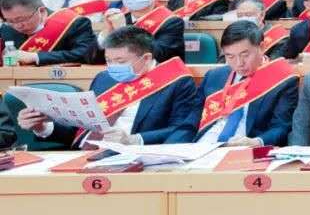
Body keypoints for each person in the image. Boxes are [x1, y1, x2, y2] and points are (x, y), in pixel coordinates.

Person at [16, 26, 200, 147]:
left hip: (140, 156)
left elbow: (182, 130)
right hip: (88, 154)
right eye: (108, 60)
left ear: (146, 58)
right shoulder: (104, 78)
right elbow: (81, 129)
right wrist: (42, 126)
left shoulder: (176, 82)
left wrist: (134, 140)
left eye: (120, 61)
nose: (113, 67)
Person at [196, 21, 298, 146]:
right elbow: (191, 120)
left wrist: (257, 141)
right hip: (204, 145)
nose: (239, 63)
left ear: (262, 47)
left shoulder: (282, 80)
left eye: (245, 55)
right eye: (230, 57)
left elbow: (281, 127)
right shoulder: (214, 76)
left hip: (245, 146)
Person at [101, 0, 185, 62]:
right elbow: (94, 58)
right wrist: (106, 32)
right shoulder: (120, 19)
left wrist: (122, 31)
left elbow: (159, 55)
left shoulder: (172, 22)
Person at [0, 0, 97, 65]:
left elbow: (85, 55)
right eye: (10, 21)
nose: (18, 25)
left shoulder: (74, 23)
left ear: (41, 11)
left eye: (21, 19)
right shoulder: (6, 29)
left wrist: (36, 57)